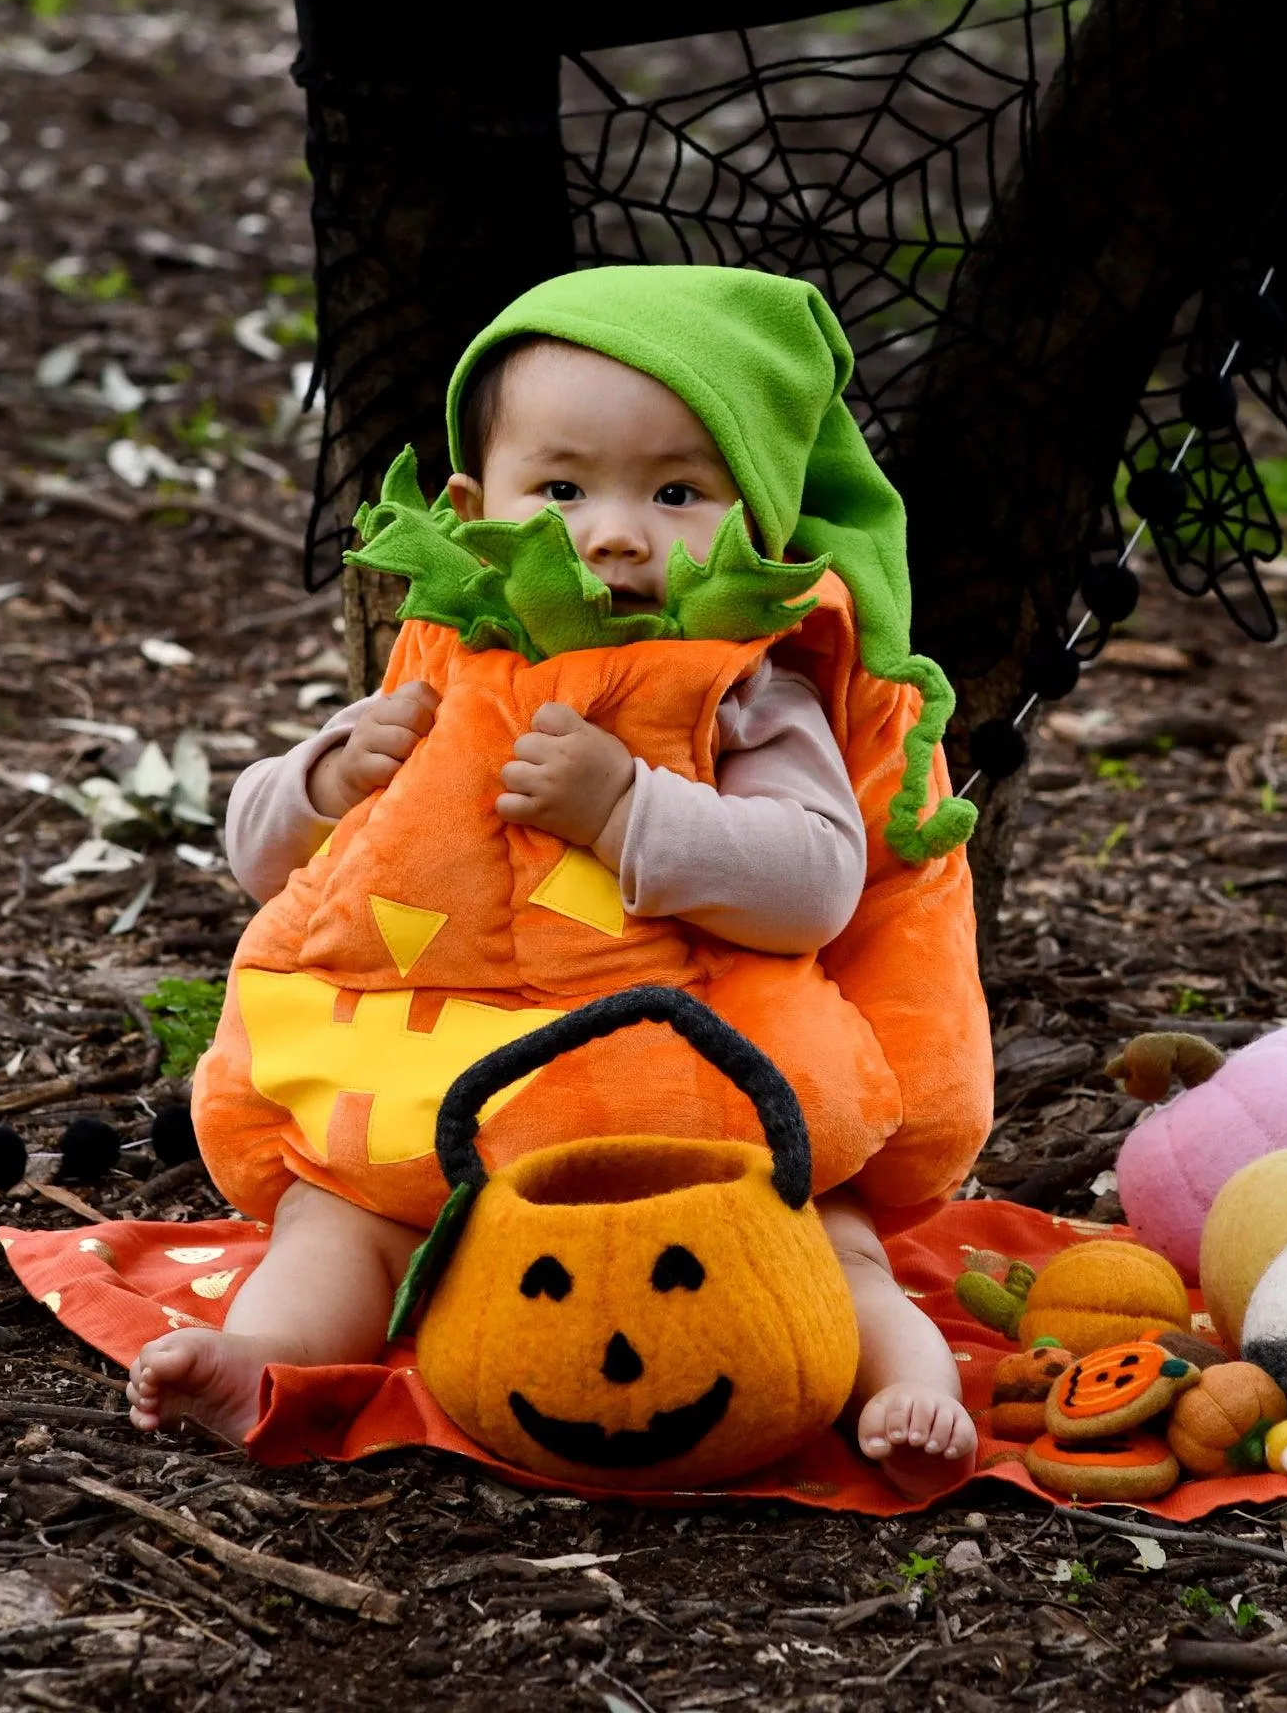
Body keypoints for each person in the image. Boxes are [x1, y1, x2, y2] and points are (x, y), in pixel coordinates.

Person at [128, 266, 992, 1498]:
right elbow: (273, 868)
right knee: (339, 1225)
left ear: (762, 519)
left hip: (695, 1125)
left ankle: (908, 1387)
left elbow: (814, 885)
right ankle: (260, 1363)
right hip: (446, 1110)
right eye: (565, 488)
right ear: (482, 505)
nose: (616, 531)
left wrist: (628, 809)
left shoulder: (749, 686)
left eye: (678, 491)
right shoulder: (451, 660)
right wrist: (325, 778)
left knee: (832, 1243)